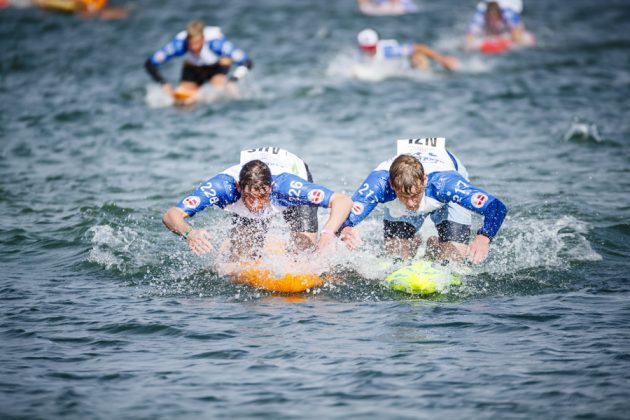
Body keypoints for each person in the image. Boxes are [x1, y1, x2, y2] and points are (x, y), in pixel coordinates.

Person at [162, 148, 353, 259]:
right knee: (243, 258)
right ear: (238, 187)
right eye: (248, 197)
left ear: (270, 189)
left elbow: (342, 201)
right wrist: (190, 233)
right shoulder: (222, 188)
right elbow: (171, 215)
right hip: (253, 174)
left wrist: (328, 234)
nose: (254, 205)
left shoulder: (289, 188)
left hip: (291, 171)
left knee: (304, 256)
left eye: (261, 197)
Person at [339, 138, 508, 264]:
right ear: (392, 186)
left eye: (415, 195)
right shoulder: (379, 185)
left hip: (445, 196)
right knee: (396, 261)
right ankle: (413, 241)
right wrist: (347, 228)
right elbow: (344, 213)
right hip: (404, 185)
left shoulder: (447, 185)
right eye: (405, 197)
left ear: (424, 181)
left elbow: (496, 207)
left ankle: (436, 245)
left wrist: (484, 237)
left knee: (453, 264)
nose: (412, 204)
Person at [145, 20, 253, 103]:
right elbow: (149, 64)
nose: (194, 47)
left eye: (197, 43)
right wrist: (163, 83)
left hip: (217, 67)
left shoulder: (216, 44)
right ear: (187, 40)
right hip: (193, 68)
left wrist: (232, 81)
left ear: (203, 39)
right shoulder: (178, 45)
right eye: (191, 44)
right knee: (181, 101)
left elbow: (247, 62)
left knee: (218, 94)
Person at [357, 28, 459, 72]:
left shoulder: (388, 51)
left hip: (410, 65)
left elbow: (420, 47)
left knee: (418, 58)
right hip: (397, 70)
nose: (369, 51)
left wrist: (442, 60)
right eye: (366, 49)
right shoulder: (359, 55)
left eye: (371, 48)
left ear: (376, 45)